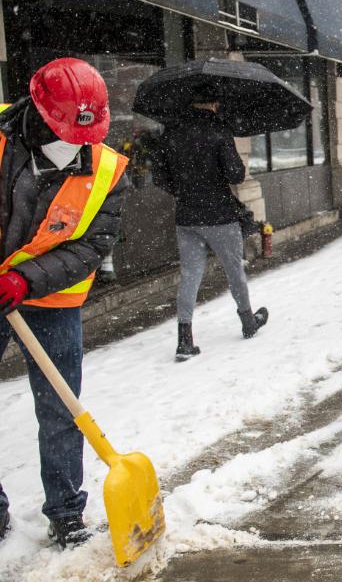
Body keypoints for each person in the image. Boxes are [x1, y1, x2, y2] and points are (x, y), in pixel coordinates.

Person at [0, 58, 127, 547]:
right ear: (37, 108)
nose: (77, 145)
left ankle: (67, 510)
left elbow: (93, 245)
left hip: (50, 298)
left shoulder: (108, 168)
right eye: (66, 131)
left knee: (60, 407)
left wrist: (25, 280)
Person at [153, 85, 267, 361]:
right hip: (220, 216)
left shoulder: (171, 133)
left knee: (190, 275)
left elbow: (160, 177)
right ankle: (247, 321)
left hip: (187, 217)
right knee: (233, 271)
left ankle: (184, 338)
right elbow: (236, 175)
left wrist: (184, 190)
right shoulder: (219, 132)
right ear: (214, 103)